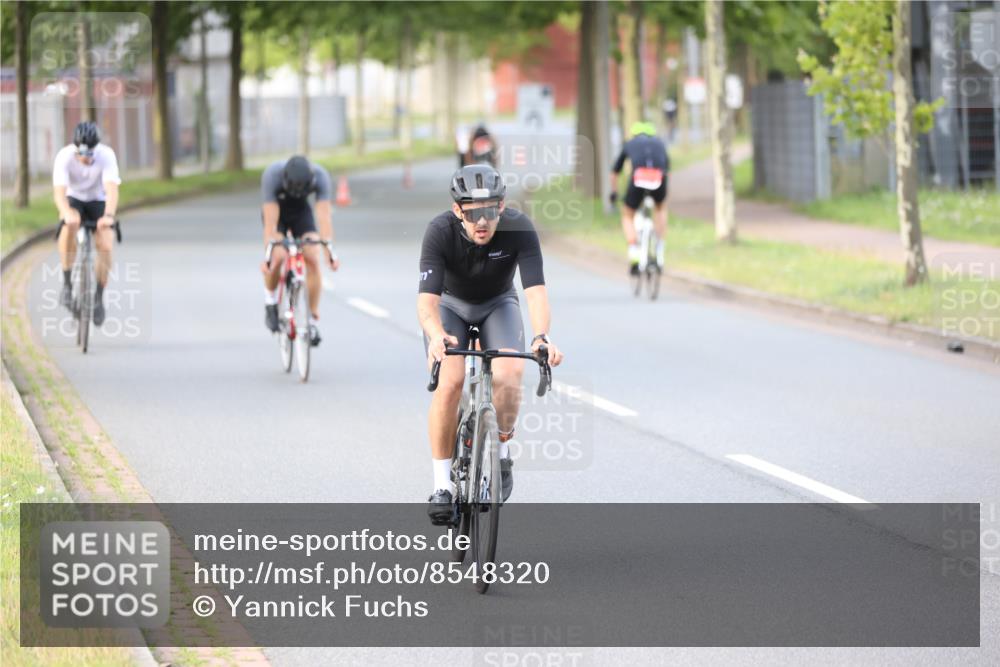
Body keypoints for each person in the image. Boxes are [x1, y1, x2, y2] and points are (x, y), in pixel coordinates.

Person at [418, 164, 563, 524]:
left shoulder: (520, 229)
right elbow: (427, 303)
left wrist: (541, 335)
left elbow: (535, 293)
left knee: (510, 373)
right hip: (450, 309)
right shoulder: (439, 231)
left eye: (489, 211)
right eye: (471, 214)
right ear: (457, 211)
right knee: (450, 383)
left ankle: (502, 448)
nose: (481, 222)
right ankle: (442, 486)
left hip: (498, 304)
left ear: (501, 207)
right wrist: (436, 335)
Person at [259, 155, 340, 345]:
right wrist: (268, 255)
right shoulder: (272, 175)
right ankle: (270, 300)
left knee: (312, 254)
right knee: (278, 255)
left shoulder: (320, 176)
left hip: (301, 212)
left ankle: (312, 319)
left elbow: (324, 217)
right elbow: (270, 224)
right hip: (277, 210)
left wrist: (329, 252)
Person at [53, 120, 121, 326]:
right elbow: (59, 194)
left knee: (106, 244)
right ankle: (66, 286)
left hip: (98, 200)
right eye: (81, 153)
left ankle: (98, 298)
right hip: (74, 199)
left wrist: (108, 216)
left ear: (95, 149)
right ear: (75, 148)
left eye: (90, 154)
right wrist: (66, 213)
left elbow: (111, 189)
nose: (85, 158)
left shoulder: (106, 155)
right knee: (68, 226)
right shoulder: (64, 156)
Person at [609, 121, 670, 273]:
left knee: (628, 215)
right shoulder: (660, 143)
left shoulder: (629, 143)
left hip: (639, 178)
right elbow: (667, 169)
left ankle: (634, 252)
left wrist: (614, 192)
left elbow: (615, 172)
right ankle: (660, 249)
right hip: (658, 178)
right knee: (660, 208)